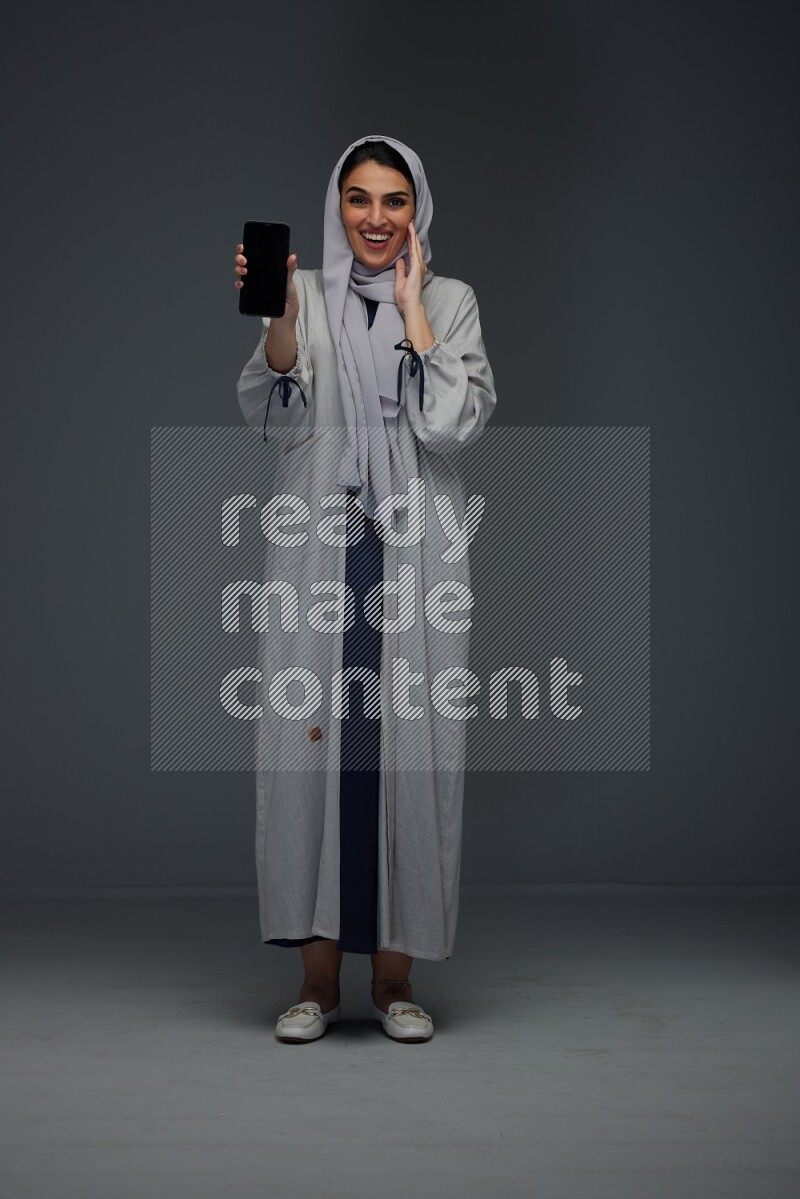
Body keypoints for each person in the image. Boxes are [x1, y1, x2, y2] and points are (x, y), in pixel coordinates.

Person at [233, 134, 496, 1043]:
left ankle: (393, 981)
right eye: (358, 199)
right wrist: (276, 316)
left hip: (414, 552)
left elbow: (453, 424)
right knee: (311, 747)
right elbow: (274, 414)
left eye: (393, 200)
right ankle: (314, 981)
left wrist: (416, 311)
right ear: (336, 205)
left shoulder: (453, 301)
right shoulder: (304, 294)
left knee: (410, 751)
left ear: (416, 208)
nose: (376, 218)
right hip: (321, 546)